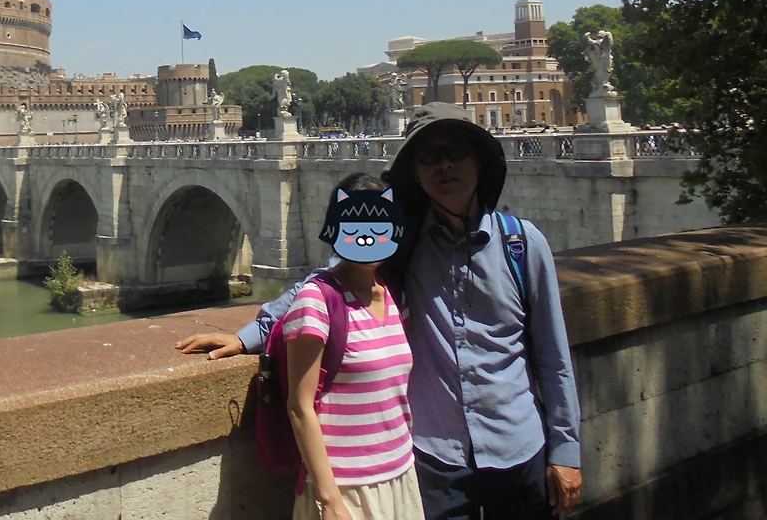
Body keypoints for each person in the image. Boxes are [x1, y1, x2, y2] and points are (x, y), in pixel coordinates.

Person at [177, 103, 583, 519]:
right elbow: (326, 282)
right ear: (416, 174)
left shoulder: (523, 245)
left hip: (518, 449)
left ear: (478, 160)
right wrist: (249, 334)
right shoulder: (404, 247)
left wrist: (566, 448)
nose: (443, 166)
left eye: (455, 152)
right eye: (428, 158)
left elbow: (554, 356)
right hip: (435, 459)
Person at [282, 173, 424, 520]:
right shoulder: (316, 299)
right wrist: (330, 502)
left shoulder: (394, 296)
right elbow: (300, 408)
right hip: (344, 489)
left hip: (401, 474)